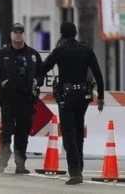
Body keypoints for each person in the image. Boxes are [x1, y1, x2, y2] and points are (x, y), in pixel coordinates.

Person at [39, 21, 105, 185]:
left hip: (66, 97)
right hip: (83, 96)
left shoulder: (59, 51)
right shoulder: (86, 50)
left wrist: (35, 78)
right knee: (78, 131)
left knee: (68, 133)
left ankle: (75, 171)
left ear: (62, 34)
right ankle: (79, 167)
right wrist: (101, 97)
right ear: (75, 33)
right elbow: (98, 74)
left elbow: (43, 68)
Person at [0, 23, 43, 174]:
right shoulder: (1, 54)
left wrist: (38, 81)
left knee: (22, 133)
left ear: (24, 35)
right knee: (7, 131)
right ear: (11, 35)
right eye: (15, 32)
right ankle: (2, 162)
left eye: (21, 32)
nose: (18, 35)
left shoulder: (33, 55)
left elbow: (41, 73)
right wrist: (0, 83)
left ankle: (20, 164)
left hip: (26, 100)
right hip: (8, 100)